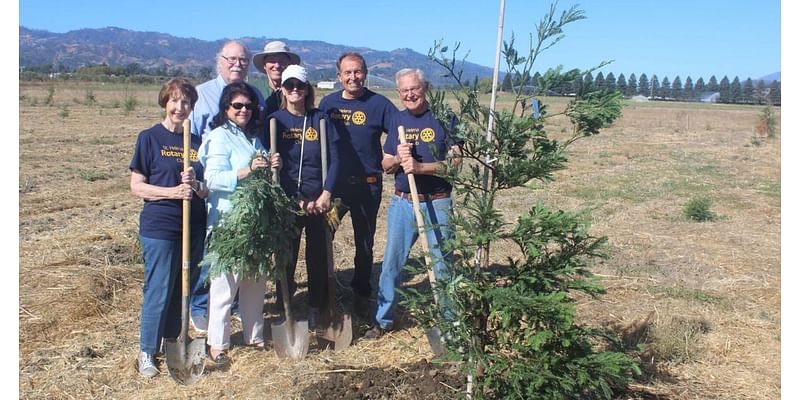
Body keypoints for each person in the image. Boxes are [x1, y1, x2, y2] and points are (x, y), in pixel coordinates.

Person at [364, 68, 462, 339]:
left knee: (442, 265)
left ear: (425, 87)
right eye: (404, 90)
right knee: (392, 264)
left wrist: (421, 166)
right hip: (403, 203)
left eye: (414, 88)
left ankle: (449, 326)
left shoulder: (445, 117)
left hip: (438, 203)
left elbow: (456, 164)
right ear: (399, 93)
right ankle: (383, 320)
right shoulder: (398, 119)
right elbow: (385, 163)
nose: (410, 94)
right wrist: (397, 158)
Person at [129, 78, 208, 377]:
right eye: (174, 101)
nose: (180, 107)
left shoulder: (196, 141)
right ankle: (147, 350)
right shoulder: (150, 138)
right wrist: (172, 192)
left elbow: (204, 189)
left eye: (186, 102)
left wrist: (196, 184)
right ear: (165, 102)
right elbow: (137, 186)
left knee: (182, 288)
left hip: (192, 226)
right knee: (159, 289)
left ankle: (173, 341)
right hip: (160, 226)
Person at [198, 82, 281, 365]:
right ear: (226, 108)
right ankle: (217, 344)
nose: (244, 110)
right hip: (229, 223)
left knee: (254, 283)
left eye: (248, 106)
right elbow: (211, 180)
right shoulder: (220, 137)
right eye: (238, 106)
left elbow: (261, 172)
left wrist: (271, 164)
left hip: (255, 222)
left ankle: (254, 336)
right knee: (224, 287)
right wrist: (245, 172)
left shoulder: (252, 137)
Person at [188, 40, 265, 333]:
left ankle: (234, 311)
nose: (237, 64)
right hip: (210, 185)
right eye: (231, 59)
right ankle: (199, 307)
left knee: (233, 261)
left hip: (242, 200)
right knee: (209, 256)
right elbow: (192, 139)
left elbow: (255, 138)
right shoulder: (201, 94)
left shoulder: (255, 93)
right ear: (219, 61)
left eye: (243, 60)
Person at [318, 52, 398, 316]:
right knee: (322, 236)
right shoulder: (328, 105)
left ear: (365, 72)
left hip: (368, 186)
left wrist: (391, 155)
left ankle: (361, 294)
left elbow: (399, 131)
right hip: (337, 189)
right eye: (347, 73)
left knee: (364, 243)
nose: (353, 77)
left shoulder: (380, 105)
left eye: (358, 72)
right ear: (339, 75)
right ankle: (322, 294)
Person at [269, 65, 340, 327]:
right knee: (286, 254)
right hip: (288, 200)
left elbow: (334, 159)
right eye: (289, 86)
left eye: (299, 85)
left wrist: (326, 193)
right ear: (283, 90)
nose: (295, 90)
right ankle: (284, 303)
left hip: (319, 199)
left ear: (307, 89)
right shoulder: (275, 121)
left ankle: (316, 305)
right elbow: (271, 165)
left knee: (317, 254)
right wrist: (295, 199)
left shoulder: (320, 119)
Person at [252, 40, 301, 118]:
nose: (277, 65)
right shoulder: (254, 91)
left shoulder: (299, 89)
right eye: (272, 61)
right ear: (264, 65)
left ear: (289, 64)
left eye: (282, 61)